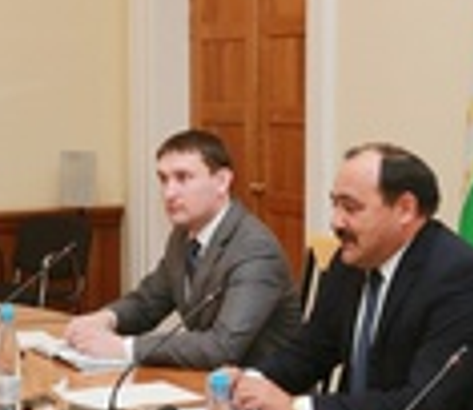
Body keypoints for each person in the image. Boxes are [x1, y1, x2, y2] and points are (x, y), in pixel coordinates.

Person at [229, 142, 473, 410]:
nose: (336, 222)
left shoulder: (459, 276)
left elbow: (421, 407)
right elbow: (311, 350)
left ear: (405, 209)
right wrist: (250, 382)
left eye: (350, 208)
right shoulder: (351, 261)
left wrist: (296, 408)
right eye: (334, 205)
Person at [62, 128, 299, 369]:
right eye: (163, 179)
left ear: (222, 182)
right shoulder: (183, 235)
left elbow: (223, 346)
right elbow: (149, 302)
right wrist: (105, 319)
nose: (169, 193)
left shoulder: (255, 249)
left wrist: (124, 348)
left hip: (259, 385)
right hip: (205, 379)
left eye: (183, 178)